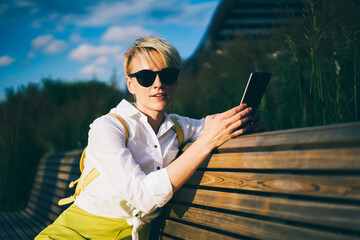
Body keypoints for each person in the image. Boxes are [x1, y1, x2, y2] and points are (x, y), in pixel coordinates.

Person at [35, 37, 264, 240]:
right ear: (130, 84)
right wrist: (206, 143)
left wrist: (244, 123)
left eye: (168, 75)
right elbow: (142, 197)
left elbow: (214, 125)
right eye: (146, 77)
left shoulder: (178, 126)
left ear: (176, 82)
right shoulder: (107, 127)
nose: (158, 84)